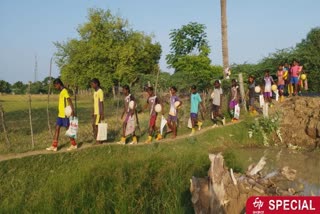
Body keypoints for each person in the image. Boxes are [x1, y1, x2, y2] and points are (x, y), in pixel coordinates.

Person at [46, 78, 77, 151]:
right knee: (57, 128)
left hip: (65, 115)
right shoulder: (61, 92)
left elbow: (69, 100)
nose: (55, 87)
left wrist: (73, 111)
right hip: (60, 115)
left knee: (68, 130)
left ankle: (74, 144)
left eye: (55, 86)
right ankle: (54, 146)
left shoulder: (64, 91)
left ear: (58, 84)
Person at [91, 78, 104, 144]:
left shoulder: (100, 91)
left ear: (96, 84)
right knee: (94, 125)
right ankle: (97, 138)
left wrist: (102, 113)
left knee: (96, 125)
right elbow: (94, 102)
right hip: (95, 112)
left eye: (93, 84)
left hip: (99, 112)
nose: (92, 86)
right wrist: (93, 111)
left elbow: (101, 103)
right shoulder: (95, 92)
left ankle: (98, 140)